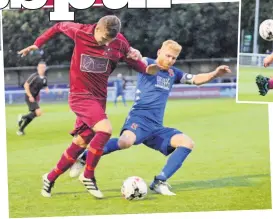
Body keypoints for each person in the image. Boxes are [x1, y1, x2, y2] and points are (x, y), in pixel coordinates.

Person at [69, 40, 232, 196]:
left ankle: (160, 182)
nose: (170, 60)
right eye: (168, 55)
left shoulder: (173, 73)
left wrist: (216, 73)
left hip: (156, 127)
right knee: (125, 141)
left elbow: (195, 79)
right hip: (138, 119)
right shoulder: (146, 63)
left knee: (187, 143)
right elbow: (136, 58)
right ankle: (84, 158)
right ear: (159, 52)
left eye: (174, 58)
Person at [18, 15, 156, 199]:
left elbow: (130, 60)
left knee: (81, 142)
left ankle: (49, 178)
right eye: (104, 38)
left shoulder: (119, 42)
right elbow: (58, 26)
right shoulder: (80, 31)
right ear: (97, 29)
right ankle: (88, 175)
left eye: (110, 40)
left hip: (99, 99)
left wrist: (146, 68)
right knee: (105, 130)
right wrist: (38, 43)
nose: (106, 43)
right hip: (80, 95)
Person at [17, 61, 49, 136]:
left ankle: (20, 130)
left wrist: (46, 88)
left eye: (43, 67)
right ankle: (22, 117)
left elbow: (44, 85)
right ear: (37, 68)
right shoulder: (34, 76)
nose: (42, 69)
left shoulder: (45, 78)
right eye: (40, 67)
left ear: (45, 68)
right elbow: (26, 85)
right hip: (29, 97)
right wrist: (30, 96)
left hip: (34, 97)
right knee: (39, 112)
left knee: (33, 115)